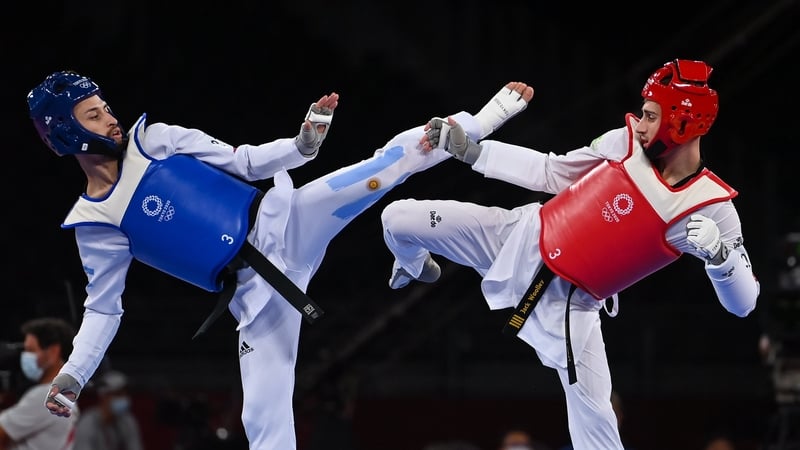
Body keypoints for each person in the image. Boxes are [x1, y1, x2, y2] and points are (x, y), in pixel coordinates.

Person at [26, 70, 533, 449]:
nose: (110, 118)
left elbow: (243, 160)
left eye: (105, 107)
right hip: (257, 296)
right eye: (93, 115)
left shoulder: (154, 139)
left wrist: (299, 145)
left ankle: (478, 123)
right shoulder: (96, 223)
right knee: (262, 419)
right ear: (67, 134)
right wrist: (73, 375)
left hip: (287, 221)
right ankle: (412, 257)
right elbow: (103, 309)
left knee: (387, 166)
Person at [380, 59, 760, 449]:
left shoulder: (711, 207)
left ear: (682, 122)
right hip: (518, 237)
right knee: (397, 218)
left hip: (572, 307)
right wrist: (473, 152)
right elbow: (553, 171)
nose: (641, 123)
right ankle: (415, 265)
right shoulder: (625, 141)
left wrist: (721, 258)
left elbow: (744, 304)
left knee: (598, 434)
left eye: (650, 116)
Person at [0, 317, 78, 450]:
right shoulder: (66, 393)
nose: (25, 356)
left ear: (53, 352)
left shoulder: (48, 396)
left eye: (31, 350)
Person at [72, 370, 143, 450]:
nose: (124, 398)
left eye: (125, 394)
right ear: (105, 396)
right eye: (118, 394)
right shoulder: (87, 423)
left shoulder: (127, 421)